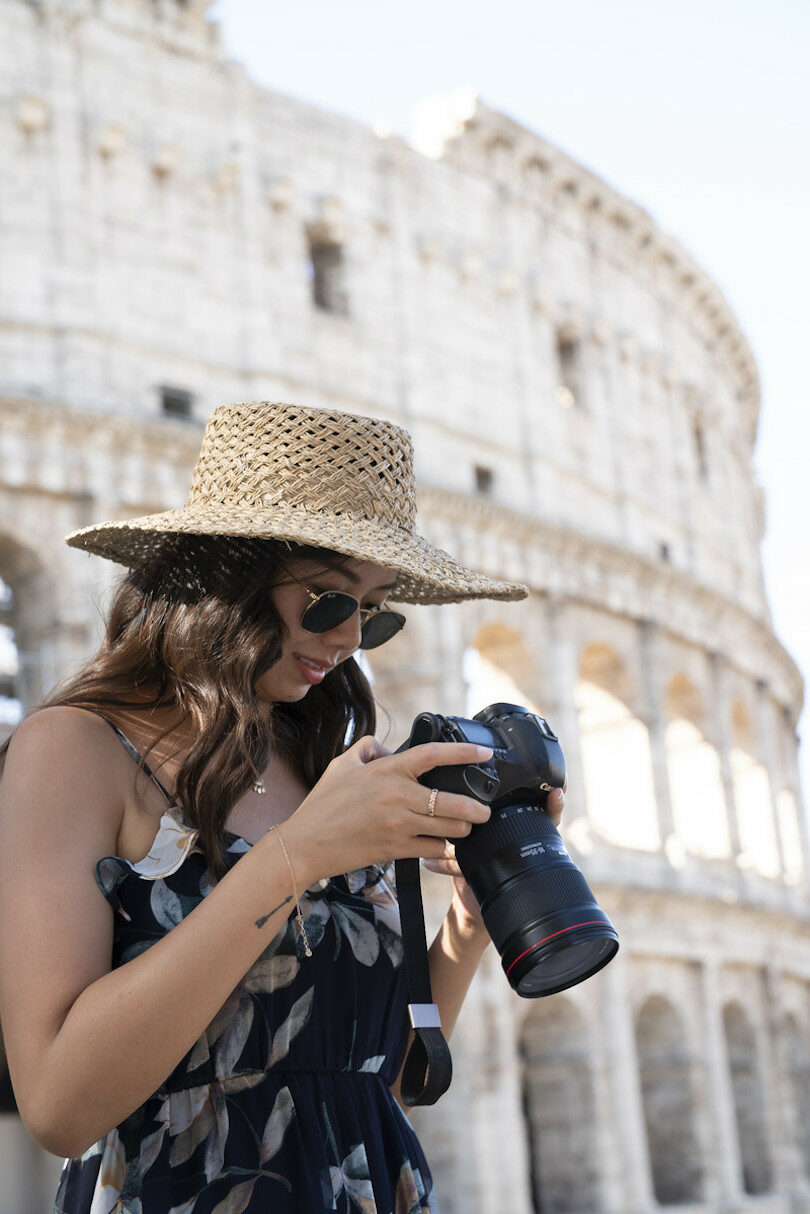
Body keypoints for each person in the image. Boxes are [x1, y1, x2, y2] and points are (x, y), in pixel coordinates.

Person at [0, 400, 565, 1213]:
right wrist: (295, 858)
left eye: (373, 614)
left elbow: (371, 1075)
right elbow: (59, 1103)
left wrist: (469, 924)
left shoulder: (318, 763)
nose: (346, 640)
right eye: (330, 599)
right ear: (226, 573)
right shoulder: (74, 748)